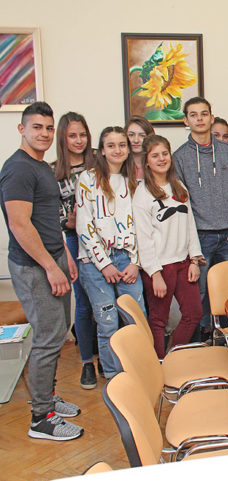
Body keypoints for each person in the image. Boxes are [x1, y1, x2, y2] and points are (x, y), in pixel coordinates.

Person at [0, 102, 83, 440]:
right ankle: (41, 418)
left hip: (53, 258)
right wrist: (50, 267)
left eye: (49, 128)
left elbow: (48, 219)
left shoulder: (41, 166)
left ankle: (47, 396)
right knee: (48, 338)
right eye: (37, 127)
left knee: (58, 331)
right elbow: (20, 225)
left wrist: (65, 256)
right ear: (22, 129)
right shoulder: (18, 169)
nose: (44, 133)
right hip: (34, 266)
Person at [76, 126, 145, 379]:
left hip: (127, 259)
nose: (118, 150)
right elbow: (84, 225)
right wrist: (104, 264)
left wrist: (136, 262)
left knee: (136, 319)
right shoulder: (88, 179)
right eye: (111, 145)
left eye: (122, 145)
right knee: (107, 322)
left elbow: (141, 225)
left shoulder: (134, 180)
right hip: (94, 262)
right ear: (102, 150)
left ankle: (139, 373)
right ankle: (114, 377)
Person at [173, 97, 228, 341]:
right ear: (186, 120)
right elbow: (181, 202)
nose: (199, 119)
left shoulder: (227, 151)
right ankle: (204, 338)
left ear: (211, 118)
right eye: (193, 115)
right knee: (200, 292)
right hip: (200, 235)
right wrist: (190, 240)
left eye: (204, 114)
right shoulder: (180, 156)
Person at [133, 135, 204, 358]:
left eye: (165, 154)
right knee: (158, 321)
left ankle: (173, 357)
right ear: (146, 161)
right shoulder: (142, 194)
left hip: (183, 263)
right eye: (155, 155)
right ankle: (159, 365)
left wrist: (194, 260)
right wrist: (154, 274)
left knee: (194, 313)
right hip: (160, 268)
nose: (161, 159)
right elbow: (143, 238)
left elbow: (190, 225)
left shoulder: (178, 187)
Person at [52, 112, 99, 389]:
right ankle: (86, 363)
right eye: (72, 135)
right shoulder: (53, 172)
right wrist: (70, 222)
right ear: (63, 138)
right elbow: (53, 216)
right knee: (83, 303)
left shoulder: (99, 161)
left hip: (106, 239)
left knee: (110, 301)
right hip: (75, 241)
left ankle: (108, 355)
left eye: (82, 135)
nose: (79, 140)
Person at [124, 115, 155, 183]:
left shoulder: (157, 163)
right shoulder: (119, 164)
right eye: (131, 135)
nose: (136, 140)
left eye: (142, 135)